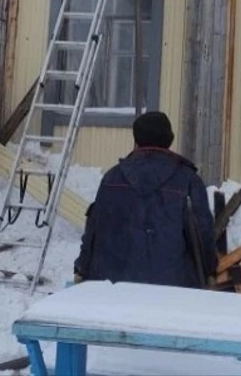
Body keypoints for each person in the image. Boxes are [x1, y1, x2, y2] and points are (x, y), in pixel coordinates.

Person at [74, 111, 217, 288]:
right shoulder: (188, 181)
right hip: (173, 290)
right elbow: (203, 234)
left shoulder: (112, 178)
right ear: (169, 139)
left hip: (112, 290)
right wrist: (210, 270)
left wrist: (81, 267)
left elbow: (93, 229)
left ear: (137, 139)